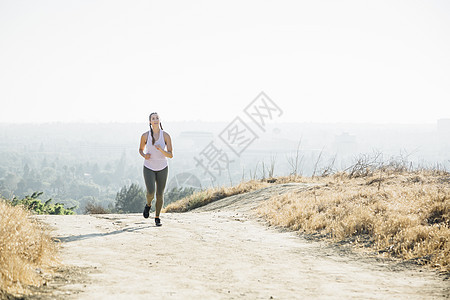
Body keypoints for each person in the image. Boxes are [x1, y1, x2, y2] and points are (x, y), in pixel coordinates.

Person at [139, 112, 173, 226]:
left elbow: (170, 155)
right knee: (151, 192)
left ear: (159, 120)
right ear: (150, 122)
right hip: (149, 167)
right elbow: (140, 149)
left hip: (163, 168)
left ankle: (157, 217)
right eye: (153, 118)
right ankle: (148, 205)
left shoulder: (166, 136)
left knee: (159, 194)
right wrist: (144, 156)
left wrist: (161, 150)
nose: (155, 120)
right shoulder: (145, 135)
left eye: (157, 118)